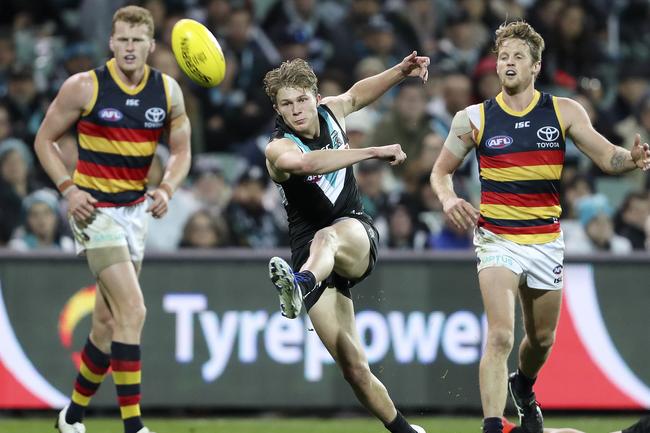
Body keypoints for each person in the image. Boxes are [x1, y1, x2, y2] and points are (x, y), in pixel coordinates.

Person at [430, 20, 650, 433]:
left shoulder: (564, 111)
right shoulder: (473, 118)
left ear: (535, 66)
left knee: (542, 340)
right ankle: (493, 426)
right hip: (497, 239)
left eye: (518, 57)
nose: (508, 62)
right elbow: (440, 173)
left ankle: (524, 386)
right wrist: (448, 198)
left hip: (545, 240)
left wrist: (632, 159)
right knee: (500, 336)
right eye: (503, 56)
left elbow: (607, 156)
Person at [33, 6, 191, 433]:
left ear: (152, 46)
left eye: (137, 40)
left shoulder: (169, 92)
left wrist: (166, 189)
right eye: (122, 39)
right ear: (111, 42)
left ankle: (71, 416)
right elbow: (44, 140)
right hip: (94, 211)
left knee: (107, 322)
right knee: (134, 309)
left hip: (134, 212)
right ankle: (134, 426)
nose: (129, 47)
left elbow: (181, 150)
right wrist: (68, 189)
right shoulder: (84, 86)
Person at [263, 53, 429, 433]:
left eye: (302, 99)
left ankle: (299, 285)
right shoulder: (277, 148)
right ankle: (405, 431)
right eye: (287, 104)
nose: (297, 109)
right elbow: (306, 164)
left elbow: (358, 94)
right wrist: (372, 151)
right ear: (278, 109)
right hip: (309, 253)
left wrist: (402, 71)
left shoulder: (332, 111)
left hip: (353, 233)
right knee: (353, 367)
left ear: (315, 97)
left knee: (330, 235)